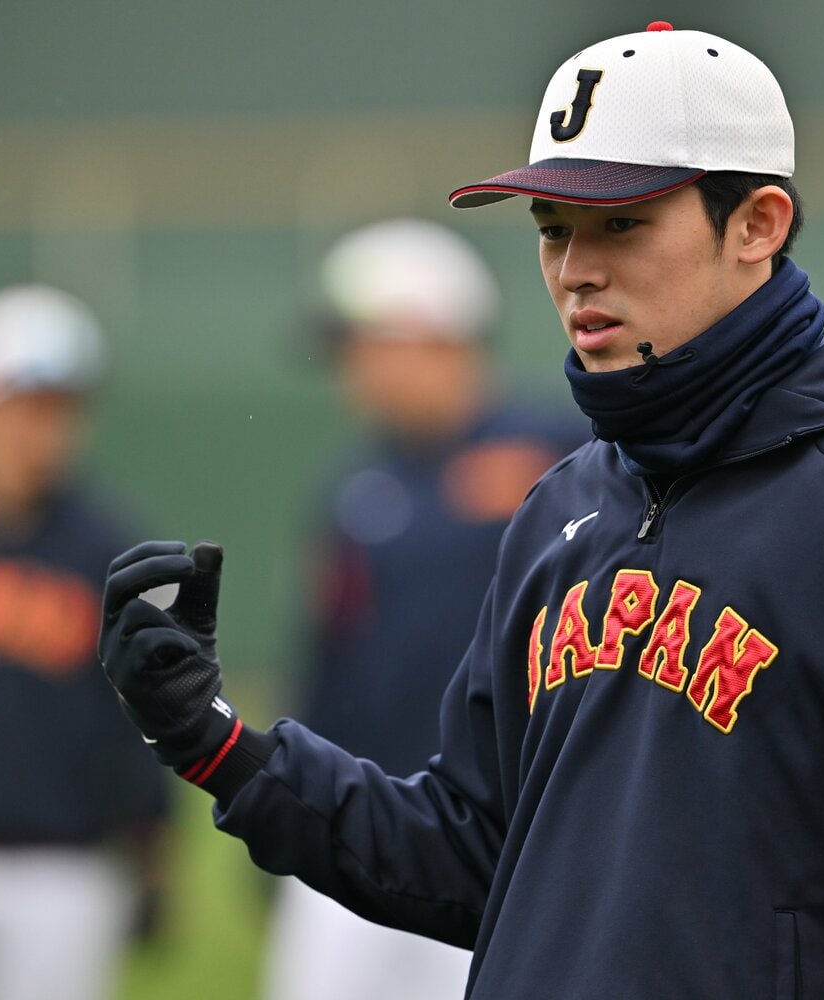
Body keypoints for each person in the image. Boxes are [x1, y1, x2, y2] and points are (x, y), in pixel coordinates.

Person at [96, 23, 824, 998]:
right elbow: (476, 852)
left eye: (622, 224)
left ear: (757, 224)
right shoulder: (567, 503)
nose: (576, 269)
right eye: (553, 229)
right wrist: (225, 749)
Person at [262, 218, 583, 1000]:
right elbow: (329, 657)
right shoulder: (353, 486)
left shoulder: (564, 449)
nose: (353, 374)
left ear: (433, 335)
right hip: (360, 819)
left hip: (503, 841)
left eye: (365, 347)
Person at [0, 285, 169, 1000]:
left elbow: (142, 715)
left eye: (59, 410)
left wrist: (151, 852)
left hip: (65, 868)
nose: (40, 430)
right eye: (23, 406)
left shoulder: (108, 550)